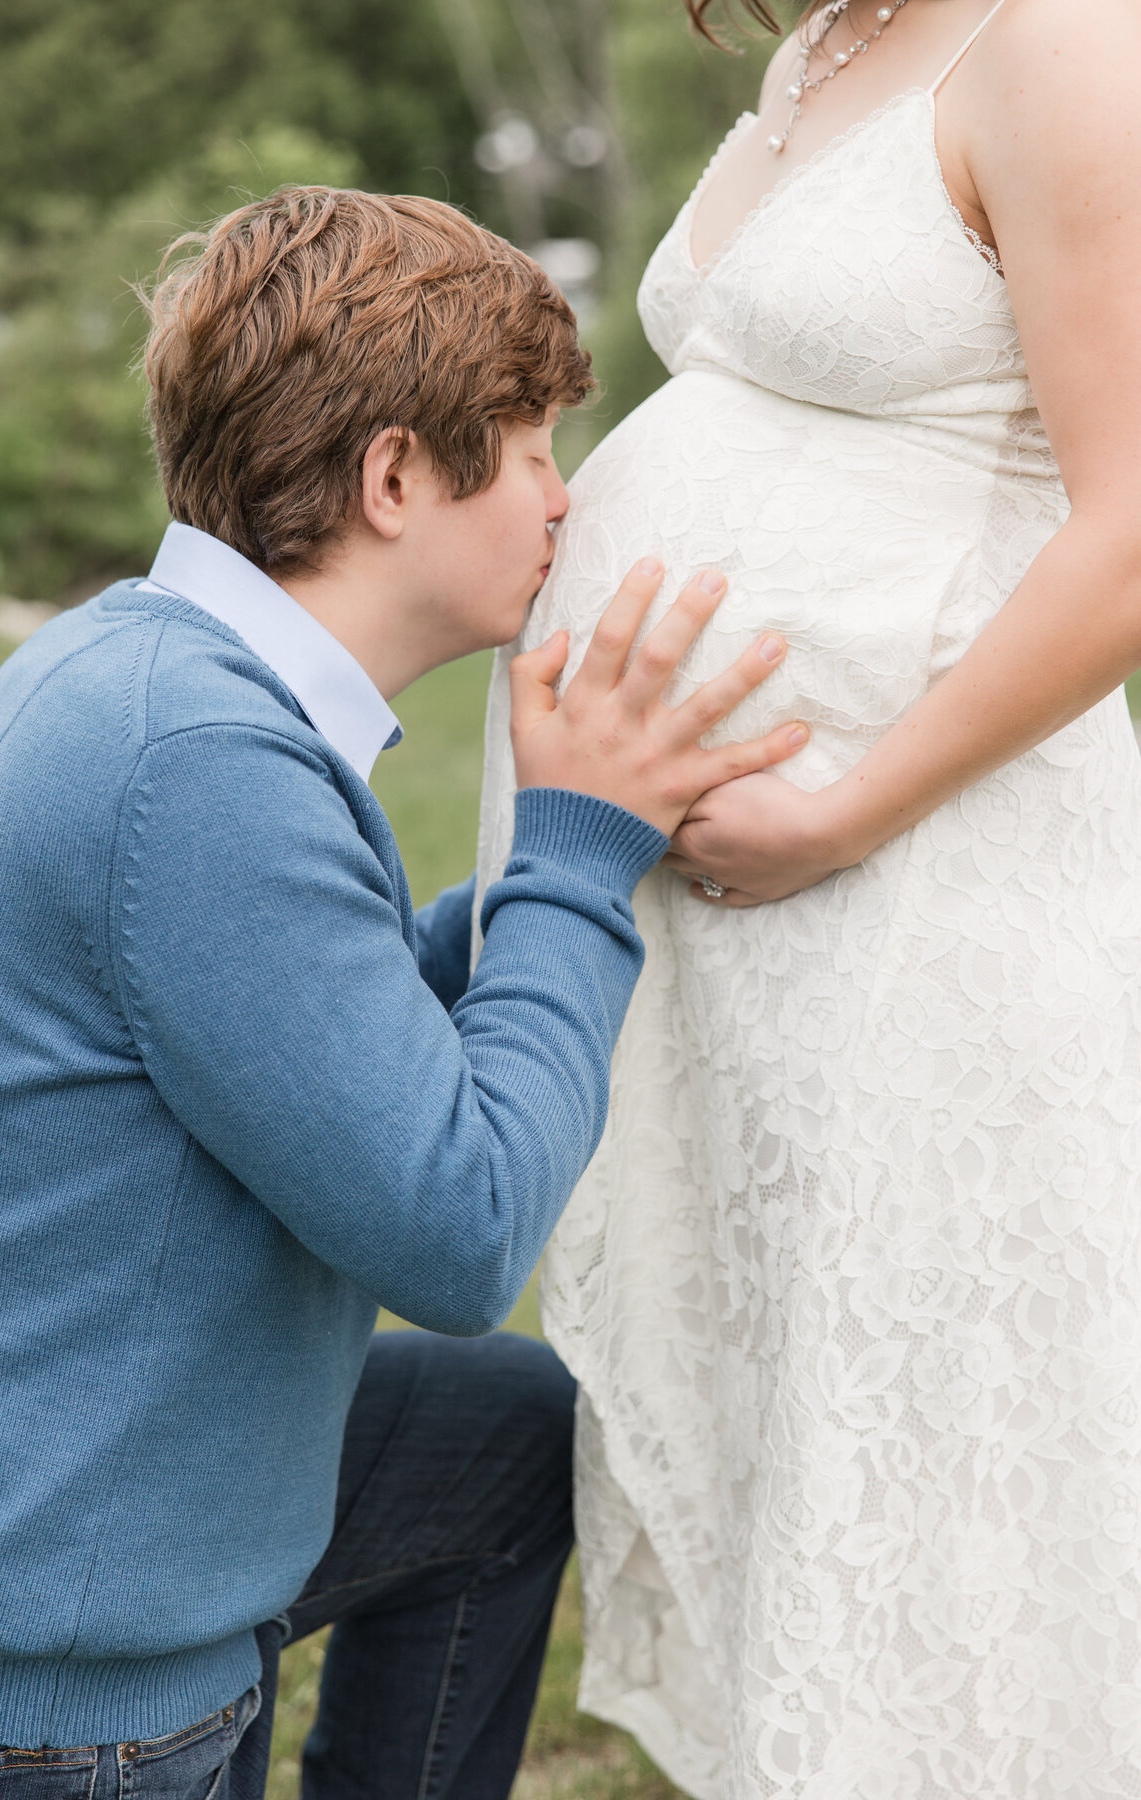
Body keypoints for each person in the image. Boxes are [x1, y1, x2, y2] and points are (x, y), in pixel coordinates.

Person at [0, 188, 805, 1800]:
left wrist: (567, 873)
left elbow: (289, 1032)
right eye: (536, 444)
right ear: (396, 475)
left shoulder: (138, 677)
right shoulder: (196, 763)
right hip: (62, 1695)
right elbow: (460, 1227)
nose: (566, 496)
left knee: (501, 1439)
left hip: (72, 1509)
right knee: (491, 1353)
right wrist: (573, 854)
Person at [474, 1, 1141, 1794]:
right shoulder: (830, 45)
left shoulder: (1066, 39)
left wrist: (848, 810)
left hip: (921, 884)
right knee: (786, 1407)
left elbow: (1132, 521)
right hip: (746, 923)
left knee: (921, 1423)